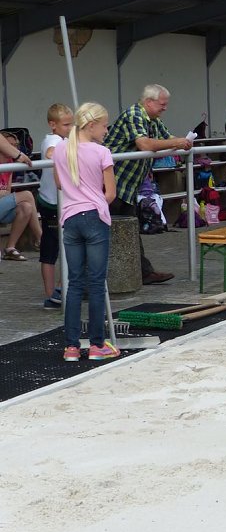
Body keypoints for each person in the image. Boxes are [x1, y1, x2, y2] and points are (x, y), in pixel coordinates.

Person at [104, 84, 192, 284]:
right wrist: (177, 143)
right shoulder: (134, 114)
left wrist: (181, 142)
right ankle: (114, 276)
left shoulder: (153, 120)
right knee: (111, 229)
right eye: (162, 104)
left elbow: (168, 138)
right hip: (113, 182)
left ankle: (142, 272)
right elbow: (144, 143)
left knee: (130, 228)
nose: (165, 108)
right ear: (149, 102)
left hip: (127, 186)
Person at [53, 102, 118, 362]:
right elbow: (110, 193)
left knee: (75, 283)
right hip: (94, 216)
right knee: (96, 282)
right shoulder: (102, 152)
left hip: (70, 217)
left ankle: (71, 346)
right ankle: (96, 344)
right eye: (104, 126)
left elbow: (60, 183)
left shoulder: (60, 149)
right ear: (91, 125)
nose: (106, 131)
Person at [38, 103, 74, 308]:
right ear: (53, 125)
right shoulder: (52, 140)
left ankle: (61, 288)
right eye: (66, 124)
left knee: (66, 246)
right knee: (51, 248)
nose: (70, 128)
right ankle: (52, 293)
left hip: (62, 200)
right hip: (52, 202)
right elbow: (51, 153)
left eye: (71, 124)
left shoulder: (66, 139)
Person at [0, 130, 40, 261]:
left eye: (15, 145)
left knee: (26, 207)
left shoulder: (10, 163)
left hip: (2, 204)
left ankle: (10, 248)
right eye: (9, 145)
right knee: (27, 195)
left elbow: (8, 190)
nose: (14, 149)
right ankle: (41, 238)